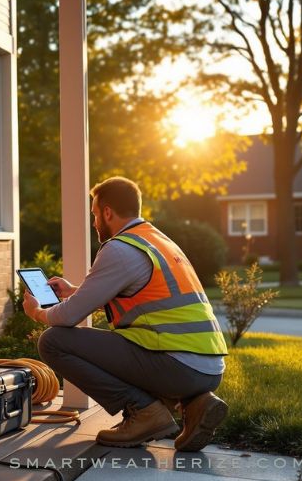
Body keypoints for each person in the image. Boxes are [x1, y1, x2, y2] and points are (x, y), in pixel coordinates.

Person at [23, 176, 229, 451]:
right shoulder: (158, 241)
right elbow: (140, 297)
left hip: (179, 366)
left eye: (95, 214)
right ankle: (194, 404)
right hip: (208, 369)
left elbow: (66, 318)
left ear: (107, 212)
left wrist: (36, 312)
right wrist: (74, 291)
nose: (95, 223)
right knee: (121, 346)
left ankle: (143, 412)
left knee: (53, 341)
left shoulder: (120, 249)